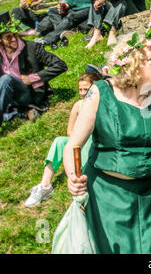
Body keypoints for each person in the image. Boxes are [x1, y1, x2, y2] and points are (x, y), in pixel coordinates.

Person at [62, 30, 151, 254]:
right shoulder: (100, 92)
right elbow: (73, 145)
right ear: (133, 64)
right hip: (109, 198)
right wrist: (72, 177)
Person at [24, 73, 101, 207]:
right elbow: (70, 130)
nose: (82, 93)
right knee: (60, 141)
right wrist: (79, 136)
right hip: (79, 142)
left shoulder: (102, 105)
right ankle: (45, 185)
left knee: (90, 139)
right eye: (80, 89)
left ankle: (81, 176)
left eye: (86, 89)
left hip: (96, 143)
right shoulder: (78, 105)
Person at [0, 11, 68, 127]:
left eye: (15, 35)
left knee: (7, 79)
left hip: (28, 92)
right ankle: (21, 113)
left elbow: (60, 65)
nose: (13, 39)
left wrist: (32, 78)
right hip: (6, 95)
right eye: (8, 37)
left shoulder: (32, 47)